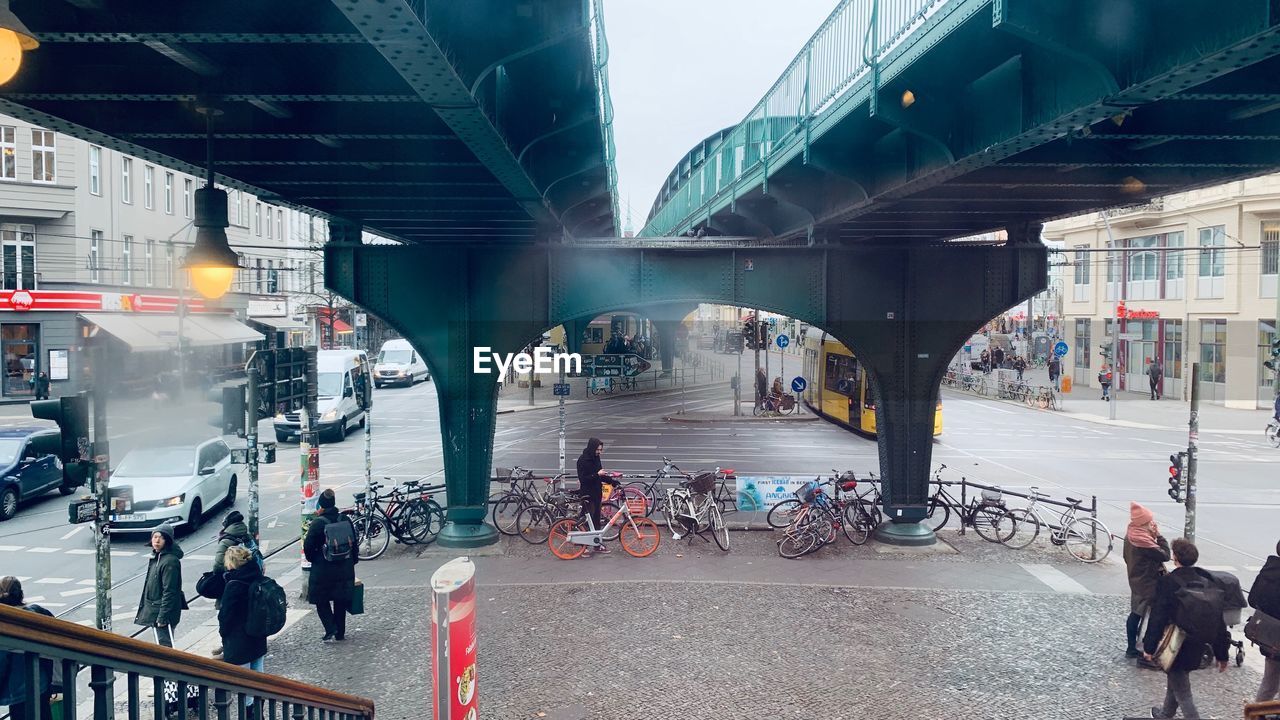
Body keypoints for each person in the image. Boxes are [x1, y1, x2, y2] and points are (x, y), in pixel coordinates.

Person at [1142, 538, 1231, 719]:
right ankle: (1165, 714)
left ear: (1175, 558)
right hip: (1198, 643)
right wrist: (1222, 654)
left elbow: (1158, 617)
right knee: (1177, 678)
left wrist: (1149, 647)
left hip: (1175, 643)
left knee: (1183, 690)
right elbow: (1218, 621)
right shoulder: (1208, 581)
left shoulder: (1168, 582)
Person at [304, 489, 358, 641]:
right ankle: (340, 632)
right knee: (340, 601)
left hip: (323, 569)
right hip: (344, 567)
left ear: (321, 505)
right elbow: (353, 542)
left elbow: (308, 546)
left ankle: (330, 627)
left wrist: (313, 559)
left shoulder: (317, 523)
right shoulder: (345, 519)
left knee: (321, 599)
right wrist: (352, 561)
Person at [0, 576, 55, 720]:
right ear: (21, 594)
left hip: (18, 690)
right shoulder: (38, 612)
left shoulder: (5, 622)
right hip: (42, 682)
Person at [1123, 502, 1170, 666]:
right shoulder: (1143, 542)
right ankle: (1137, 648)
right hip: (1147, 583)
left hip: (1136, 579)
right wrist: (1159, 536)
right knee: (1144, 615)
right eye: (1150, 522)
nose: (1152, 524)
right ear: (1143, 523)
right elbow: (1165, 555)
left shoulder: (1131, 533)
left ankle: (1132, 647)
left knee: (1135, 614)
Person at [210, 511, 253, 658]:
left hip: (230, 582)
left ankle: (227, 646)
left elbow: (217, 566)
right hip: (250, 580)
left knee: (225, 612)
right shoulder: (247, 535)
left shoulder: (226, 540)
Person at [218, 545, 267, 675]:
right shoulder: (258, 577)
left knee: (244, 683)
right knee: (259, 677)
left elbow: (226, 616)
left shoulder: (233, 585)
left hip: (239, 640)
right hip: (258, 636)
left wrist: (223, 634)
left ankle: (251, 697)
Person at [134, 523, 184, 648]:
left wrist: (162, 617)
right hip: (156, 610)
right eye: (155, 536)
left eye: (161, 537)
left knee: (165, 647)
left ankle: (170, 668)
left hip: (161, 613)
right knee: (162, 645)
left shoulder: (169, 561)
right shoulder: (158, 557)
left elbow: (170, 591)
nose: (157, 540)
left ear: (167, 541)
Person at [1251, 539, 1280, 702]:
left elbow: (1253, 599)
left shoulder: (1268, 570)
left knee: (1269, 684)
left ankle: (1256, 714)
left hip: (1270, 638)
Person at [575, 438, 610, 556]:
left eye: (600, 450)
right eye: (598, 449)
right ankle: (581, 546)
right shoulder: (583, 460)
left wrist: (612, 481)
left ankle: (596, 545)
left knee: (596, 520)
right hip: (587, 494)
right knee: (585, 520)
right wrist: (597, 474)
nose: (599, 452)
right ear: (592, 448)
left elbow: (600, 475)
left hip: (596, 493)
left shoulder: (596, 458)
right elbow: (584, 479)